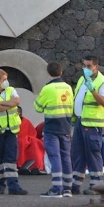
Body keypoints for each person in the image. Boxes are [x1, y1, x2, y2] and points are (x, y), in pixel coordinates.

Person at [71, 55, 104, 195]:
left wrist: (93, 90)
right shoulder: (82, 79)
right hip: (80, 122)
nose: (86, 69)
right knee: (77, 154)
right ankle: (75, 184)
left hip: (93, 125)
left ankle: (97, 186)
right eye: (84, 66)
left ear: (96, 67)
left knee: (93, 154)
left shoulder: (103, 83)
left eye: (89, 66)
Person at [34, 61, 74, 197]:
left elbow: (37, 107)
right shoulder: (68, 88)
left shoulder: (47, 89)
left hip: (51, 127)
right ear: (61, 72)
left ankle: (57, 188)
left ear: (48, 73)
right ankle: (68, 188)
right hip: (66, 127)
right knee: (66, 156)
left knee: (55, 156)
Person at [0, 68, 28, 195]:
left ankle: (13, 185)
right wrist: (9, 104)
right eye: (4, 79)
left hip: (12, 130)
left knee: (11, 158)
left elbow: (16, 101)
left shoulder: (11, 90)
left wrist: (1, 104)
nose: (7, 82)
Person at [16, 106, 45, 174]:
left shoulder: (26, 122)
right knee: (22, 142)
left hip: (27, 141)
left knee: (34, 142)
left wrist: (27, 139)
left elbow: (32, 134)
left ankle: (34, 166)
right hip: (15, 141)